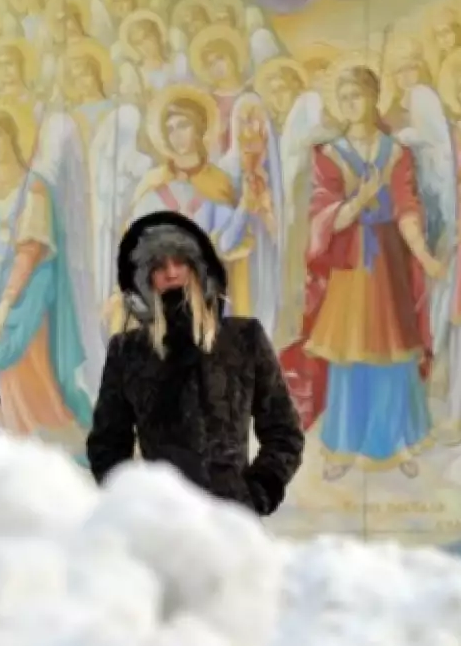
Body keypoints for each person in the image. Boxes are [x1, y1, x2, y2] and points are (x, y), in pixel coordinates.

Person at [86, 211, 304, 516]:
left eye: (181, 262)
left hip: (232, 523)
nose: (172, 273)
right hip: (162, 525)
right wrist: (135, 505)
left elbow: (284, 433)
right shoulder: (128, 351)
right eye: (159, 266)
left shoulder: (243, 339)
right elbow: (108, 445)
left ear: (198, 268)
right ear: (145, 279)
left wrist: (256, 493)